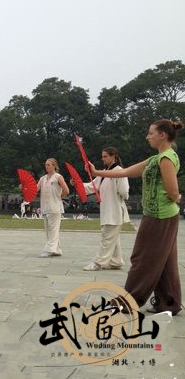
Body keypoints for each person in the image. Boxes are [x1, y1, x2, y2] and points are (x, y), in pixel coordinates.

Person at [90, 119, 183, 315]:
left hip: (160, 217)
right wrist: (95, 172)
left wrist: (177, 197)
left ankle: (128, 301)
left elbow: (173, 191)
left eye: (151, 133)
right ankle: (168, 303)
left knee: (142, 258)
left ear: (162, 135)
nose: (147, 136)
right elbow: (123, 171)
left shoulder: (166, 158)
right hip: (157, 216)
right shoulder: (154, 159)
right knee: (164, 261)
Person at [80, 147, 129, 271]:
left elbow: (124, 192)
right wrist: (78, 183)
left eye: (105, 156)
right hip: (107, 209)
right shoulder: (103, 172)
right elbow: (92, 186)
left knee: (106, 237)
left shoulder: (119, 171)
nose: (103, 159)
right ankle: (116, 261)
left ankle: (98, 262)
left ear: (114, 157)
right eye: (102, 156)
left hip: (115, 210)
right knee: (113, 238)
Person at [36, 158, 69, 257]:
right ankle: (57, 249)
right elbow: (35, 189)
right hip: (45, 207)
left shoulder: (58, 177)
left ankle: (49, 249)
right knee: (48, 230)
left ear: (54, 166)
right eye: (46, 165)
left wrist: (59, 197)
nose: (47, 166)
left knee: (53, 229)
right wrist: (24, 187)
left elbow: (66, 190)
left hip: (55, 207)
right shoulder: (42, 178)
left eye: (49, 165)